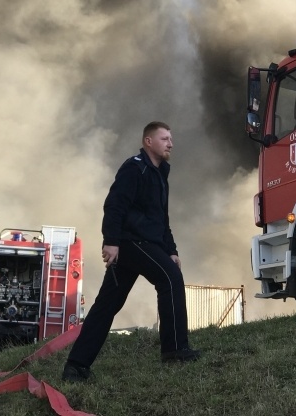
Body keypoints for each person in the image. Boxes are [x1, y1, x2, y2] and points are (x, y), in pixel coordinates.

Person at [62, 121, 199, 382]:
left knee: (106, 305)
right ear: (149, 141)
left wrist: (171, 249)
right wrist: (111, 241)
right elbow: (115, 205)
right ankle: (174, 350)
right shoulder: (134, 168)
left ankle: (76, 367)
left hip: (147, 243)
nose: (170, 143)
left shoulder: (160, 173)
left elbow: (161, 218)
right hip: (131, 243)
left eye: (170, 138)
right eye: (164, 138)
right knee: (170, 279)